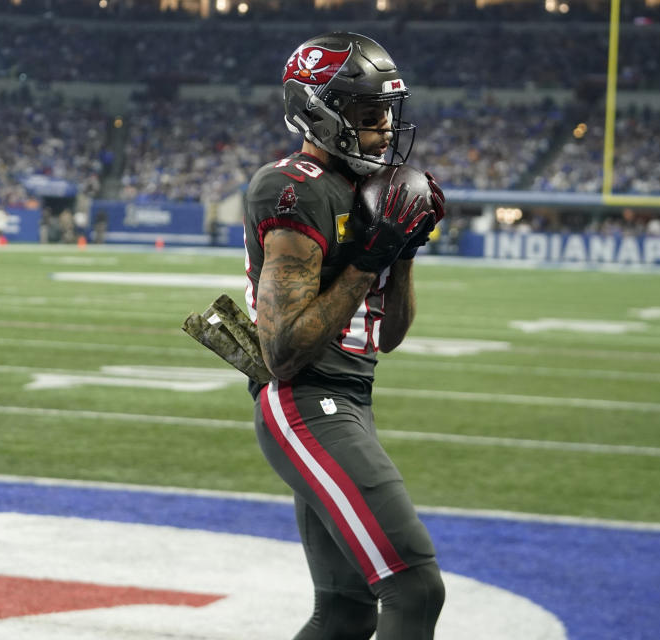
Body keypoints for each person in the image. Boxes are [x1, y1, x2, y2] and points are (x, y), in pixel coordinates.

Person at [243, 32, 445, 640]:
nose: (384, 129)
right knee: (414, 587)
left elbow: (389, 337)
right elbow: (283, 352)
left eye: (387, 112)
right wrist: (369, 255)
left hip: (349, 398)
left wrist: (402, 251)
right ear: (318, 111)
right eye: (367, 114)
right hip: (305, 401)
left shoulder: (364, 190)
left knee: (346, 612)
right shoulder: (293, 188)